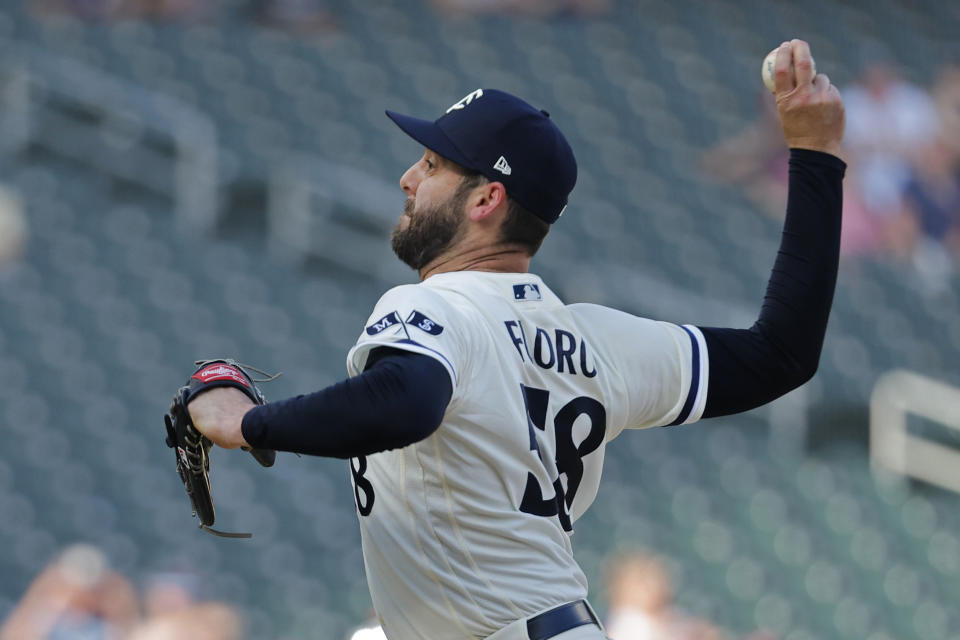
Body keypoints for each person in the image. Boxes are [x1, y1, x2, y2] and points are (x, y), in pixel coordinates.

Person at [187, 40, 845, 640]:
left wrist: (248, 422)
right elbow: (781, 354)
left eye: (432, 163)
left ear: (486, 200)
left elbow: (405, 401)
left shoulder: (437, 307)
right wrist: (815, 157)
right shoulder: (598, 338)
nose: (407, 179)